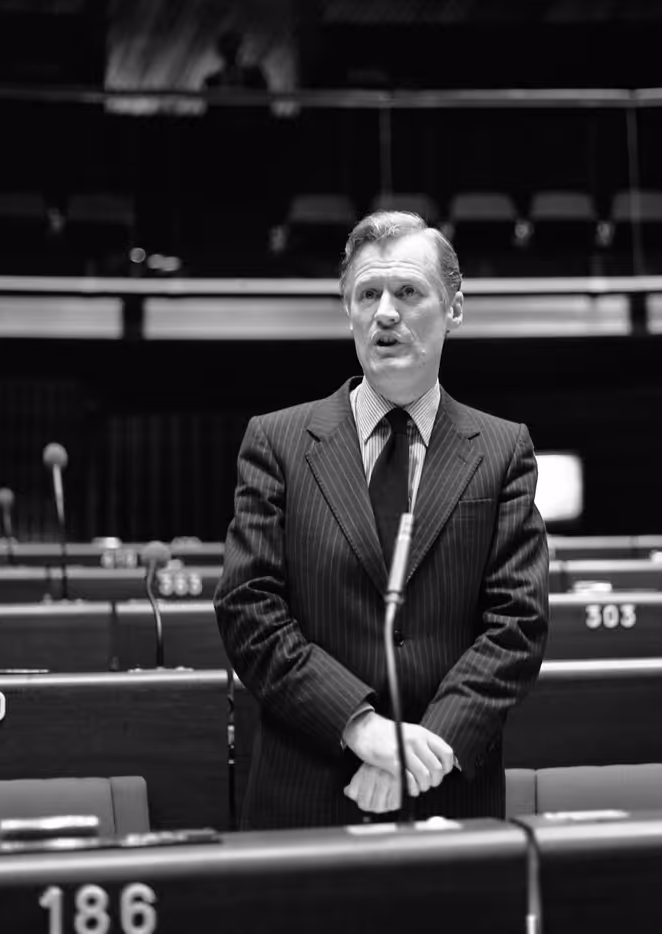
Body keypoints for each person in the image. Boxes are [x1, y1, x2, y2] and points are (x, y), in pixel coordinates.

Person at [214, 211, 550, 830]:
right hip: (304, 790)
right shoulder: (278, 442)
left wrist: (425, 751)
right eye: (368, 294)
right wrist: (359, 726)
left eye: (408, 292)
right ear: (348, 311)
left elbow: (517, 624)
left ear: (453, 308)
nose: (386, 313)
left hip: (447, 791)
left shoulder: (503, 449)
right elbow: (248, 608)